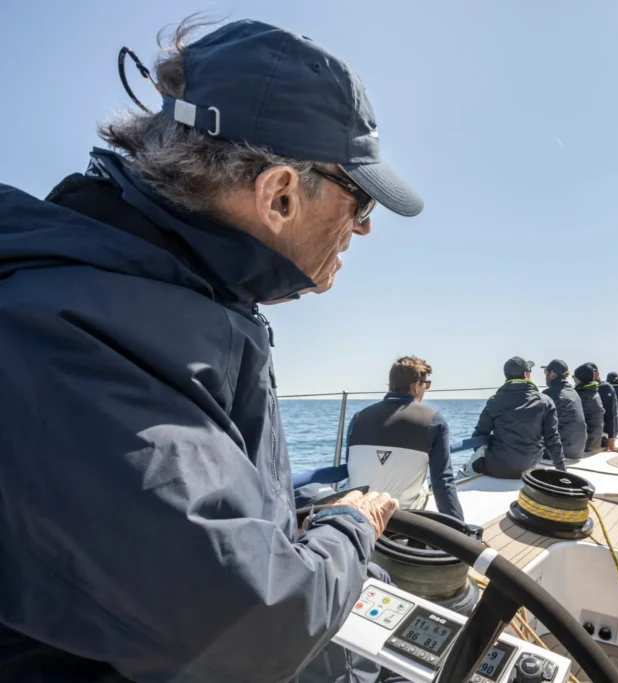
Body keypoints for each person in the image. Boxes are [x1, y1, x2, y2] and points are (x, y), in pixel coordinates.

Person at [0, 18, 418, 683]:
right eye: (360, 200)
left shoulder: (156, 296)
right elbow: (256, 627)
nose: (363, 227)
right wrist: (349, 526)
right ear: (279, 194)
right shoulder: (71, 340)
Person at [345, 356, 463, 521]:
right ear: (416, 386)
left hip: (358, 511)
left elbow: (351, 465)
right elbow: (442, 481)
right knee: (424, 484)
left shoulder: (358, 418)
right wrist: (458, 526)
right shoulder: (434, 421)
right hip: (401, 517)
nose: (425, 389)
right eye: (426, 384)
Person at [470, 357, 565, 477]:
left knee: (469, 465)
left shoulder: (494, 401)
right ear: (525, 374)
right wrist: (562, 471)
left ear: (506, 376)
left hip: (497, 468)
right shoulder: (545, 401)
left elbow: (479, 435)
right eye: (529, 371)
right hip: (529, 467)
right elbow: (552, 439)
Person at [542, 359, 587, 460]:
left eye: (546, 372)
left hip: (562, 452)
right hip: (577, 451)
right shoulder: (574, 392)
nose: (545, 376)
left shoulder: (548, 394)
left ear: (552, 374)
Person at [585, 362, 618, 452]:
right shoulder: (585, 388)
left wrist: (611, 442)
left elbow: (611, 415)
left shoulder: (605, 388)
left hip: (604, 435)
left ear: (597, 373)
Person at [574, 364, 605, 455]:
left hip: (586, 445)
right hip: (595, 442)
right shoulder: (594, 392)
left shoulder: (582, 395)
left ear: (580, 379)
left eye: (574, 377)